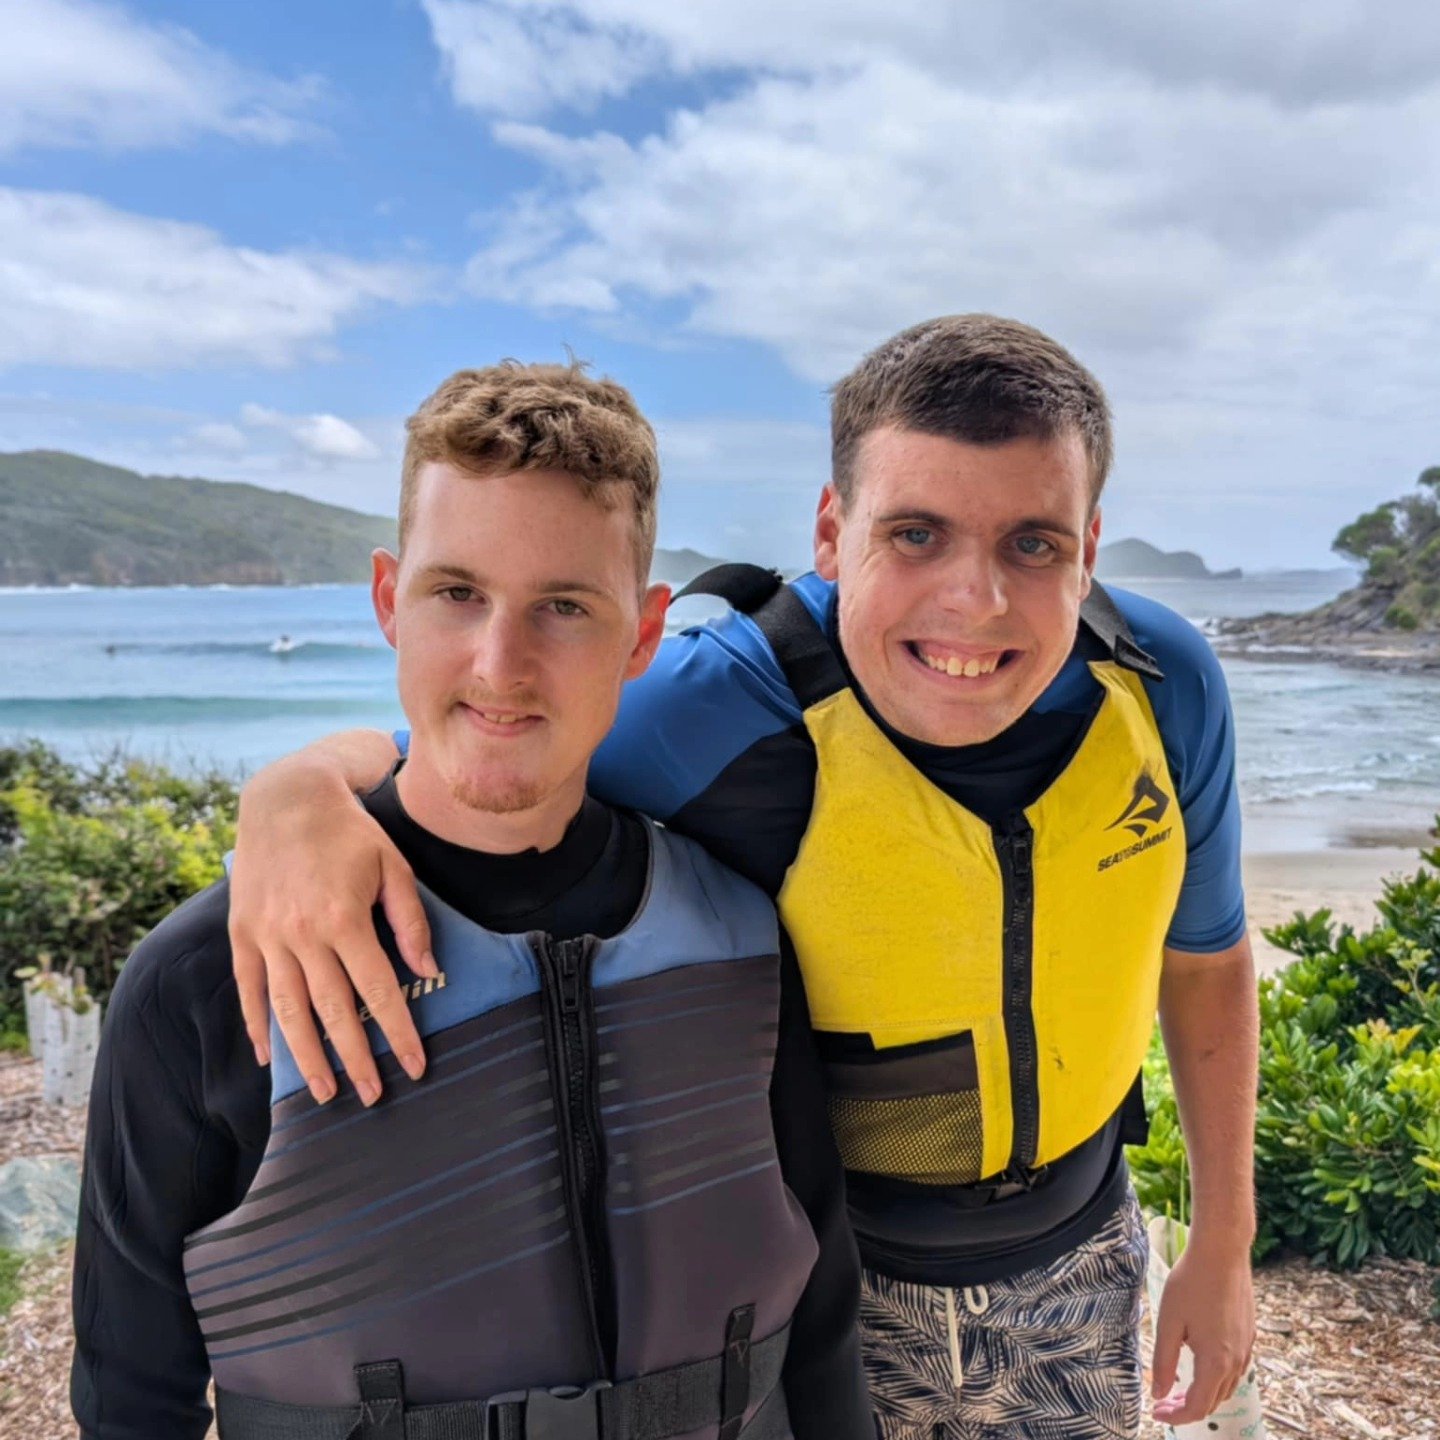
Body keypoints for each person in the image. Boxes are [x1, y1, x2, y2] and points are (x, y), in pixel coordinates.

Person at [223, 316, 1260, 1438]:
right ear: (831, 528)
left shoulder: (1163, 689)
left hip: (1079, 1260)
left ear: (1090, 546)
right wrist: (300, 790)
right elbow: (484, 737)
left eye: (1033, 545)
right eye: (915, 534)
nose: (978, 603)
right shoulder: (718, 708)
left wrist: (1223, 1243)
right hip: (819, 1293)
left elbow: (1206, 965)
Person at [70, 361, 873, 1440]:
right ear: (388, 601)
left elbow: (821, 1326)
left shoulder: (737, 937)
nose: (502, 665)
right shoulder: (206, 979)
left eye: (563, 607)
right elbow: (131, 1396)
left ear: (641, 634)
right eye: (458, 594)